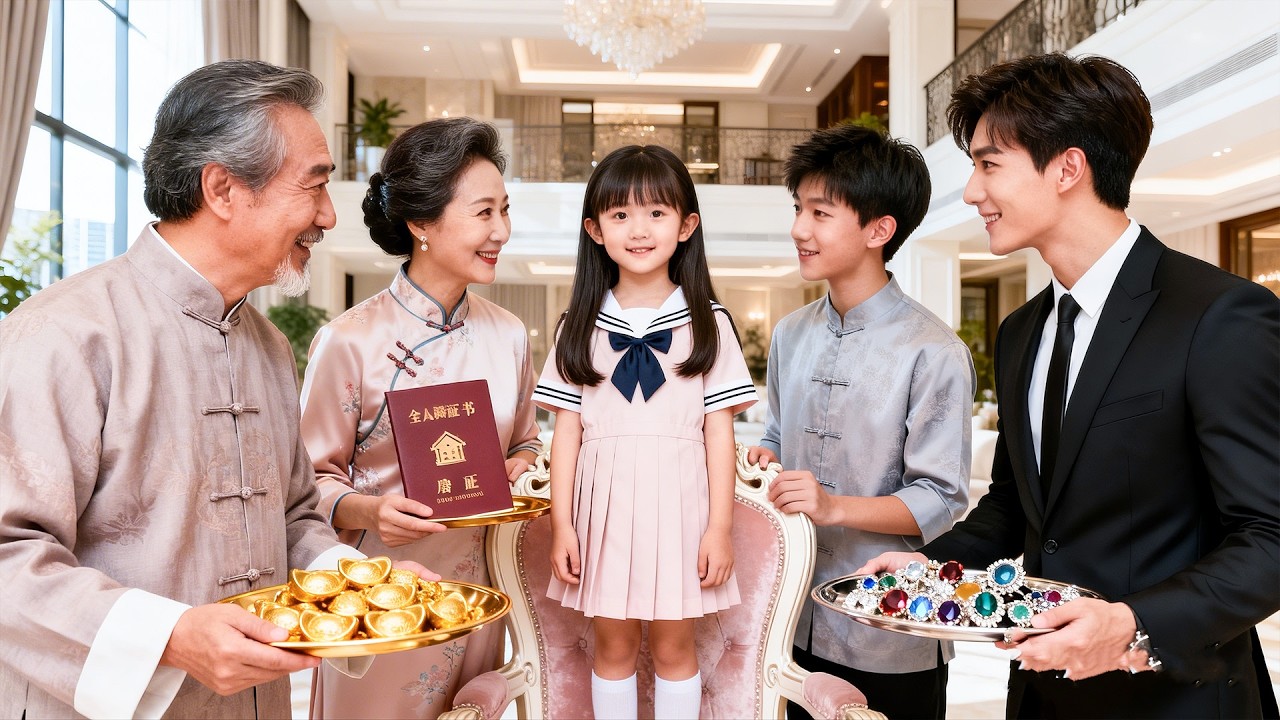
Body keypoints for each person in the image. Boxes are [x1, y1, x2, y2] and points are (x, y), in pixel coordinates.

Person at [0, 60, 437, 719]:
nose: (326, 215)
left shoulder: (269, 345)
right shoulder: (65, 334)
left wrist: (363, 584)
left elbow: (293, 518)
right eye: (315, 186)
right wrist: (170, 638)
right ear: (223, 188)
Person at [859, 52, 1280, 718]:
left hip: (1175, 701)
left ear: (1067, 168)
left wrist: (1132, 624)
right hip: (1041, 695)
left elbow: (1270, 536)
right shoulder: (1022, 331)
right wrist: (928, 568)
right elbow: (1015, 508)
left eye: (988, 165)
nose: (971, 193)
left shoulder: (1217, 315)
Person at [299, 117, 541, 718]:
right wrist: (372, 511)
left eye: (504, 211)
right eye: (483, 213)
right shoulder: (349, 340)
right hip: (380, 593)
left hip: (477, 592)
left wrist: (519, 465)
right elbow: (305, 484)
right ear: (421, 224)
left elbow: (527, 443)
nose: (501, 231)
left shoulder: (509, 335)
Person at [744, 123, 974, 720]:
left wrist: (834, 506)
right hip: (790, 613)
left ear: (879, 230)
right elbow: (776, 435)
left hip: (889, 622)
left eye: (820, 213)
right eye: (799, 209)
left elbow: (940, 497)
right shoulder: (791, 334)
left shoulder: (933, 350)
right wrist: (766, 456)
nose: (799, 229)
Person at [532, 144, 756, 720]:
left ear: (686, 226)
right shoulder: (577, 325)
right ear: (595, 229)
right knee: (613, 646)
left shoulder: (710, 322)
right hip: (602, 509)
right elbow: (566, 436)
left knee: (676, 647)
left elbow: (719, 434)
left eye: (656, 212)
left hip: (681, 507)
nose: (639, 229)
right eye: (620, 214)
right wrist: (562, 524)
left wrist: (720, 529)